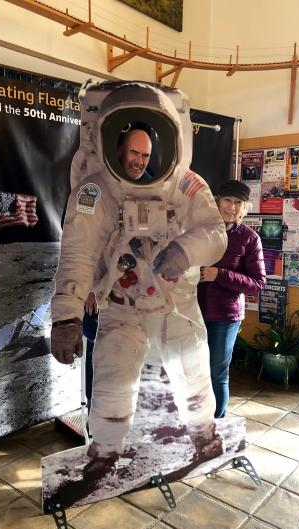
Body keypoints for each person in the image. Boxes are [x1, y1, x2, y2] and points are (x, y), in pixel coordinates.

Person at [51, 80, 227, 478]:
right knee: (113, 379)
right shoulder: (96, 190)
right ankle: (104, 454)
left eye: (145, 153)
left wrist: (184, 252)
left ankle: (204, 437)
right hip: (121, 304)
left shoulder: (185, 183)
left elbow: (216, 234)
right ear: (114, 143)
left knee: (193, 374)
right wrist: (66, 317)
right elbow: (78, 253)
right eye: (132, 151)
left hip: (175, 303)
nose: (139, 160)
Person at [198, 180, 266, 418]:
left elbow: (258, 283)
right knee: (194, 371)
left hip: (225, 318)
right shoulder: (199, 230)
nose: (232, 207)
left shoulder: (249, 238)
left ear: (244, 207)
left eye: (238, 203)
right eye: (228, 200)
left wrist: (220, 274)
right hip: (192, 313)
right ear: (217, 201)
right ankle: (195, 426)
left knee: (217, 373)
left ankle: (216, 426)